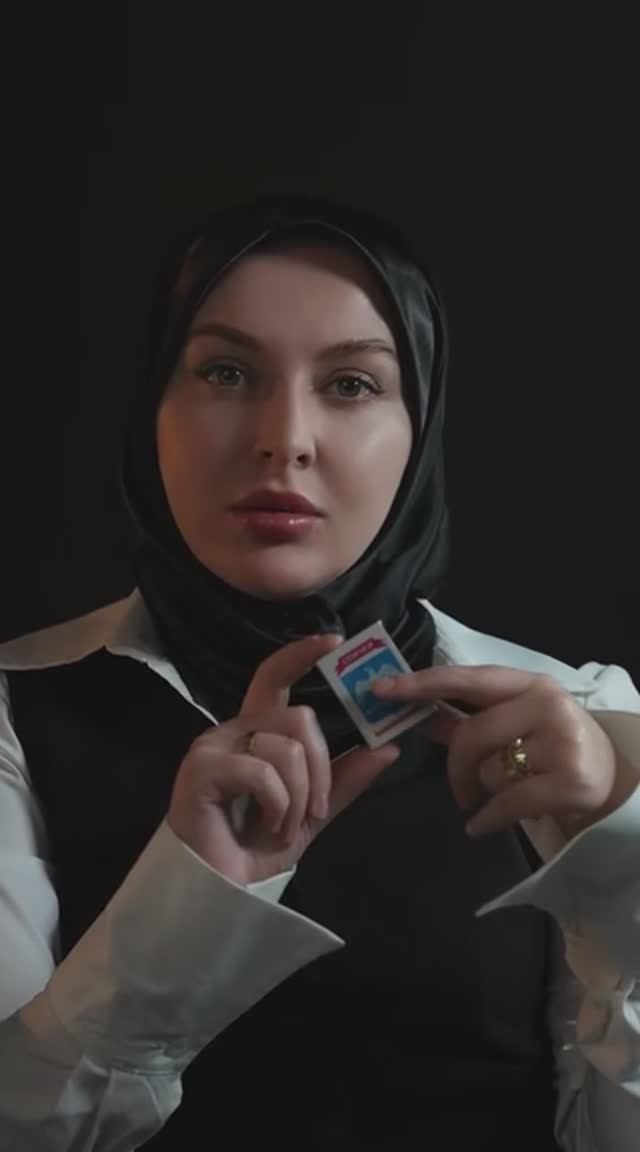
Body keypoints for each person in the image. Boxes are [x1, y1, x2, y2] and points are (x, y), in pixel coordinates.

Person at [0, 196, 638, 1152]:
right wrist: (185, 908)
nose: (284, 438)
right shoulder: (18, 709)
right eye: (225, 372)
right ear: (152, 408)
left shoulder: (586, 721)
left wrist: (621, 871)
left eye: (350, 384)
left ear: (420, 424)